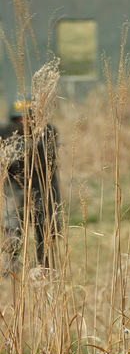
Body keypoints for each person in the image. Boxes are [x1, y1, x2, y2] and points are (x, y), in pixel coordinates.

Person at [0, 96, 63, 275]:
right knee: (12, 230)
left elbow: (47, 161)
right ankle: (9, 269)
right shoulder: (3, 130)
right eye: (19, 119)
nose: (23, 122)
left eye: (28, 118)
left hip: (43, 189)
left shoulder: (47, 131)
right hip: (13, 189)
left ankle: (45, 267)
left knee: (46, 229)